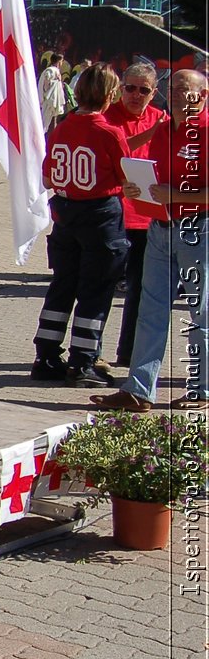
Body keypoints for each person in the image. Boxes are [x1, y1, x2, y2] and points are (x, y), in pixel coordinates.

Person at [92, 68, 208, 413]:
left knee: (199, 312)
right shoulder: (162, 128)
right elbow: (150, 170)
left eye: (184, 90)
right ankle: (139, 390)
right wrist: (134, 188)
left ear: (202, 96)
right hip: (160, 229)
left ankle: (201, 390)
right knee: (149, 311)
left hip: (196, 230)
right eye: (172, 89)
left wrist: (176, 194)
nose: (175, 95)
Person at [31, 65, 129, 388]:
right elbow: (127, 178)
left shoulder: (62, 128)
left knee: (62, 285)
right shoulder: (110, 131)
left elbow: (48, 176)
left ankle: (45, 355)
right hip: (100, 215)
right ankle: (83, 361)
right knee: (96, 290)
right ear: (110, 95)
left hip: (64, 214)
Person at [103, 62, 168, 366]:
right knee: (100, 287)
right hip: (112, 215)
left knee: (140, 292)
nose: (136, 95)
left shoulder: (162, 120)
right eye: (130, 87)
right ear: (120, 88)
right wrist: (151, 134)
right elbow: (112, 151)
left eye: (144, 90)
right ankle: (90, 354)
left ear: (154, 93)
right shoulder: (107, 116)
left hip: (147, 219)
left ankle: (127, 353)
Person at [39, 52, 70, 134]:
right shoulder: (50, 71)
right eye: (61, 61)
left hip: (55, 103)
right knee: (44, 124)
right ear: (59, 61)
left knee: (52, 124)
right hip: (49, 101)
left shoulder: (56, 71)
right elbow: (44, 84)